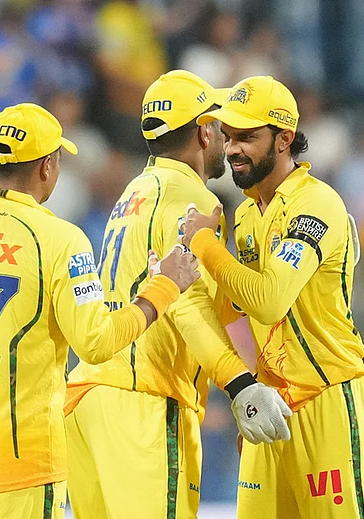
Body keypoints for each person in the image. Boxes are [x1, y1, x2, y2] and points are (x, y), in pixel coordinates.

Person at [0, 102, 201, 519]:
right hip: (19, 458)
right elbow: (97, 343)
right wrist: (161, 289)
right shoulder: (59, 239)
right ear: (47, 166)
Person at [64, 70, 292, 519]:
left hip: (87, 398)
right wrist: (240, 385)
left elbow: (213, 304)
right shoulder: (196, 201)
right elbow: (188, 305)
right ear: (204, 133)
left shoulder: (133, 191)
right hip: (144, 403)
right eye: (219, 126)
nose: (225, 137)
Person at [183, 75, 364, 519]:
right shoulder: (250, 213)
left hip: (329, 400)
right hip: (274, 409)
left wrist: (205, 244)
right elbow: (250, 315)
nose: (232, 148)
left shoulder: (316, 205)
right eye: (228, 136)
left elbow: (270, 300)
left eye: (247, 137)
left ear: (284, 139)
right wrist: (250, 394)